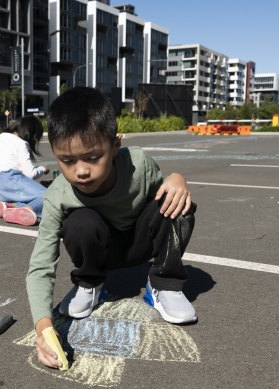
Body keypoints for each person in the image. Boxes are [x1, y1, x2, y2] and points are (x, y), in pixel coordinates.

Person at [25, 87, 198, 369]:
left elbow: (164, 199)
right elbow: (41, 264)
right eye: (67, 161)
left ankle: (163, 284)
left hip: (140, 243)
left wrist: (178, 179)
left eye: (93, 157)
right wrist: (43, 329)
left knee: (179, 204)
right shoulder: (56, 194)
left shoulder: (138, 164)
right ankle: (90, 283)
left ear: (115, 145)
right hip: (102, 252)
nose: (81, 170)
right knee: (79, 222)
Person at [0, 116, 49, 226]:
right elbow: (30, 174)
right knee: (49, 196)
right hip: (11, 180)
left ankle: (10, 206)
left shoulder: (1, 137)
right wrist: (42, 169)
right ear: (31, 134)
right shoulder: (21, 143)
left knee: (29, 197)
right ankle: (27, 209)